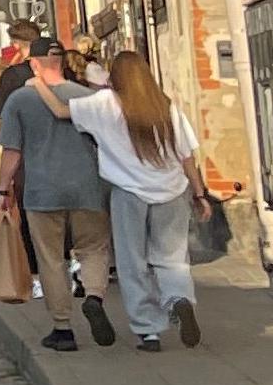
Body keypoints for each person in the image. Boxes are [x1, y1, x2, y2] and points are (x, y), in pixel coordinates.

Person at [67, 53, 213, 352]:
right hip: (172, 189)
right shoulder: (165, 106)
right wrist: (200, 194)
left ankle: (148, 332)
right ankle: (178, 300)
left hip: (128, 191)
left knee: (132, 261)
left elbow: (61, 110)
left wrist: (40, 85)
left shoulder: (104, 104)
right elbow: (187, 157)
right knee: (172, 258)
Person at [0, 40, 117, 352]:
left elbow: (12, 151)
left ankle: (63, 328)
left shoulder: (19, 100)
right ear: (62, 62)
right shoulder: (89, 97)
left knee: (51, 259)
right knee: (94, 248)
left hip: (41, 190)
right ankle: (93, 296)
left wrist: (1, 189)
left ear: (34, 65)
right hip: (88, 186)